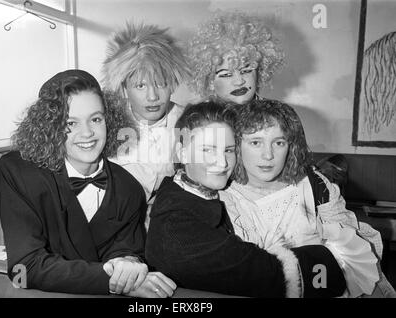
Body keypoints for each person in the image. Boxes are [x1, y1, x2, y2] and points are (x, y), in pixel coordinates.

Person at [0, 69, 176, 297]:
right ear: (50, 127)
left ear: (109, 121)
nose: (87, 133)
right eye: (70, 123)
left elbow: (127, 250)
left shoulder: (128, 188)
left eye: (96, 119)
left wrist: (129, 265)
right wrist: (110, 279)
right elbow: (22, 269)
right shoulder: (20, 172)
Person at [145, 101, 347, 298]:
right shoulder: (174, 219)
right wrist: (327, 263)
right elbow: (252, 270)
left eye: (229, 150)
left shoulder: (199, 191)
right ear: (183, 154)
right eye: (207, 150)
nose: (222, 162)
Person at [220, 99, 396, 297]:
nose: (268, 155)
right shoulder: (222, 197)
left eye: (279, 142)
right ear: (236, 145)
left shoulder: (314, 185)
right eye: (255, 142)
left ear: (291, 146)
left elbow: (351, 255)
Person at [102, 23, 191, 207]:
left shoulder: (189, 122)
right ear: (124, 87)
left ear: (173, 84)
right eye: (140, 86)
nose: (153, 97)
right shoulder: (105, 122)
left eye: (160, 84)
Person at [185, 11, 284, 106]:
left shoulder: (276, 117)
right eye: (226, 74)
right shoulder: (198, 120)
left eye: (246, 71)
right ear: (210, 82)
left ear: (259, 72)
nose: (239, 81)